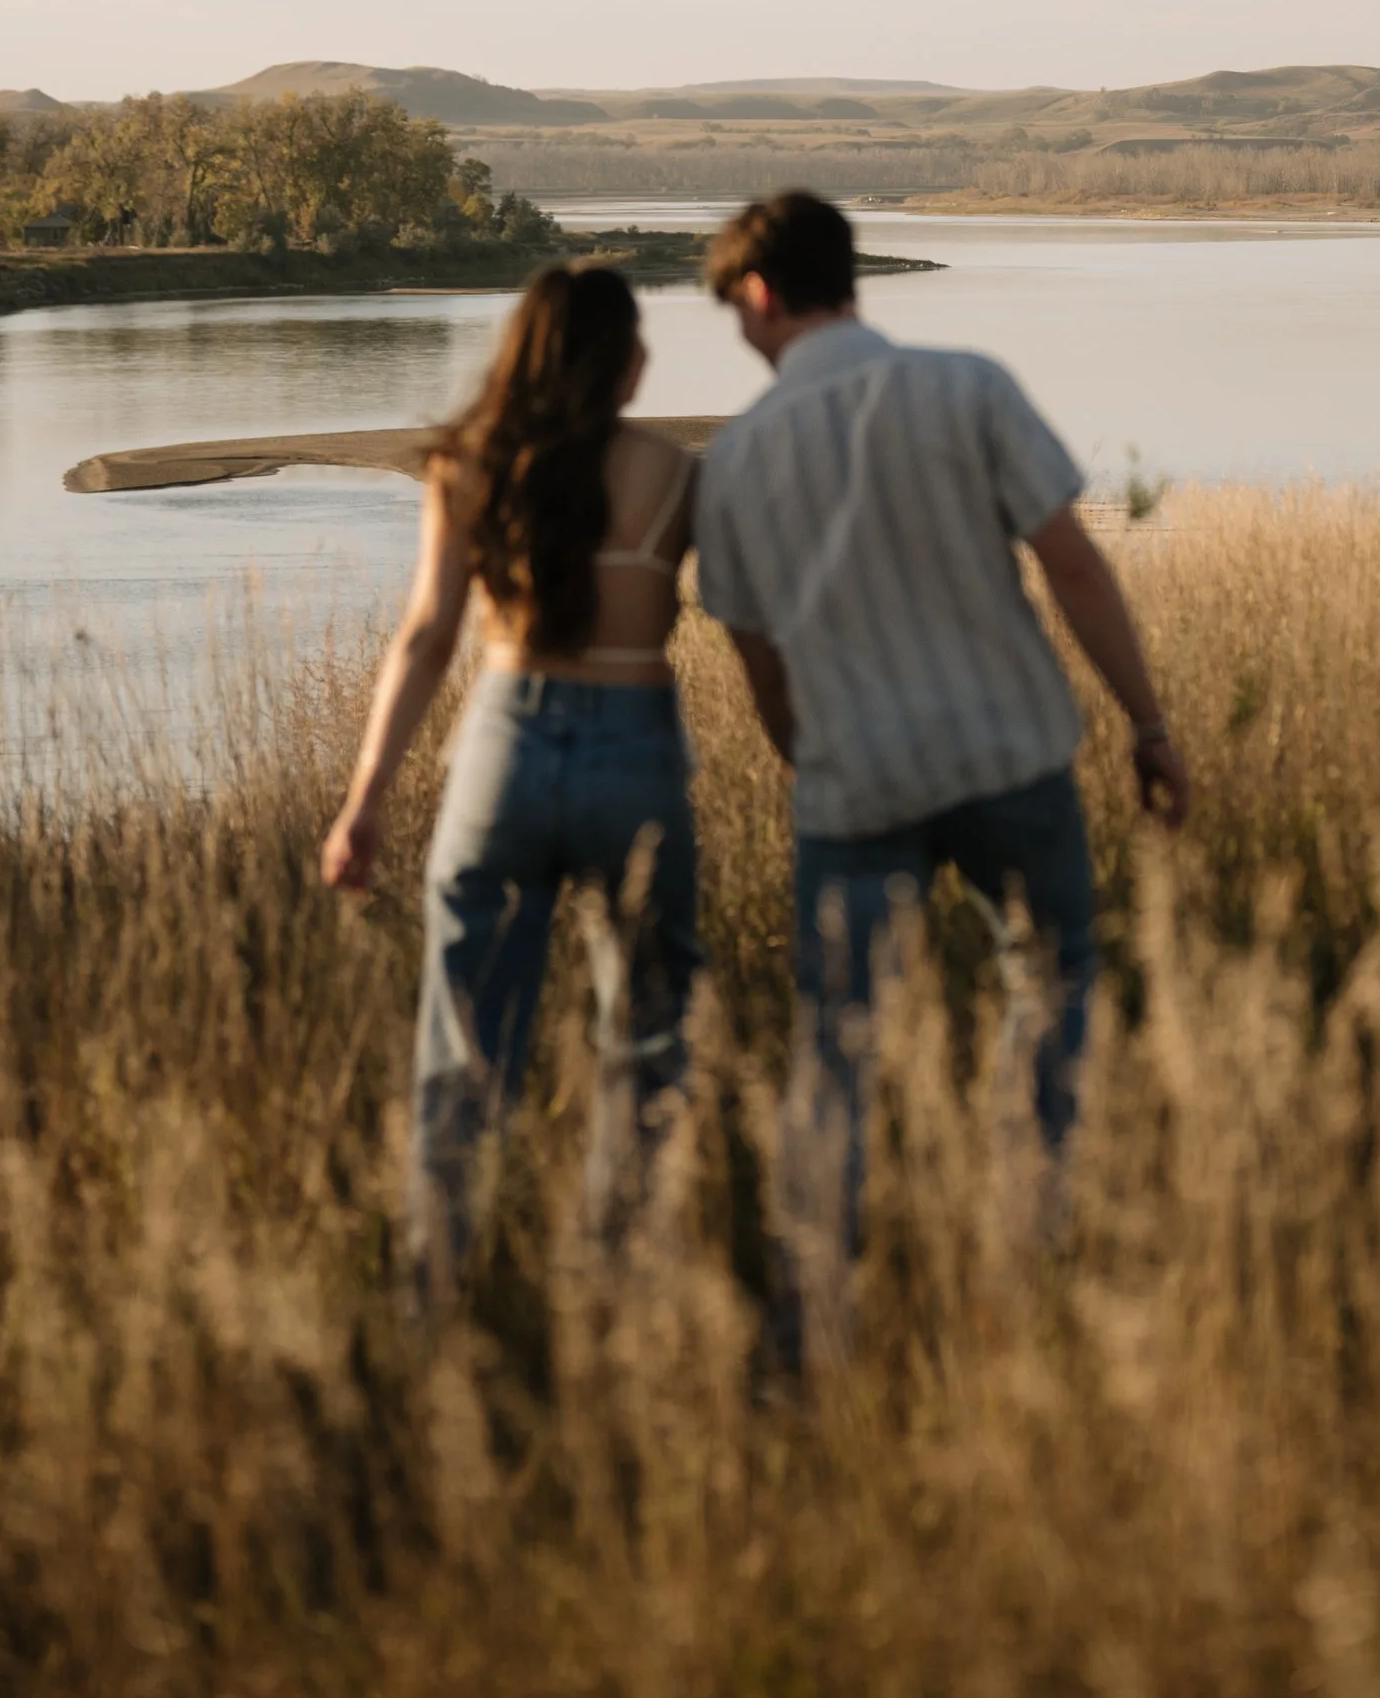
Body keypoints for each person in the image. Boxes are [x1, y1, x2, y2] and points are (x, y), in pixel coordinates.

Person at [695, 190, 1189, 1234]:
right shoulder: (967, 388)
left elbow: (761, 664)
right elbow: (1074, 569)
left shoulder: (734, 462)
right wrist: (1147, 726)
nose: (738, 331)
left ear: (759, 293)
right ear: (848, 277)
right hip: (1008, 752)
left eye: (734, 311)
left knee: (838, 1043)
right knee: (1052, 992)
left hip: (853, 783)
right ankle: (1028, 1241)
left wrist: (806, 759)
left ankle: (812, 1308)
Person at [320, 263, 703, 1278]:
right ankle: (622, 1285)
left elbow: (424, 638)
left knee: (463, 1047)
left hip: (505, 746)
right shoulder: (673, 474)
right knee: (649, 1034)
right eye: (639, 342)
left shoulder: (467, 466)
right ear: (618, 359)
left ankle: (435, 1291)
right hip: (635, 746)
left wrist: (363, 803)